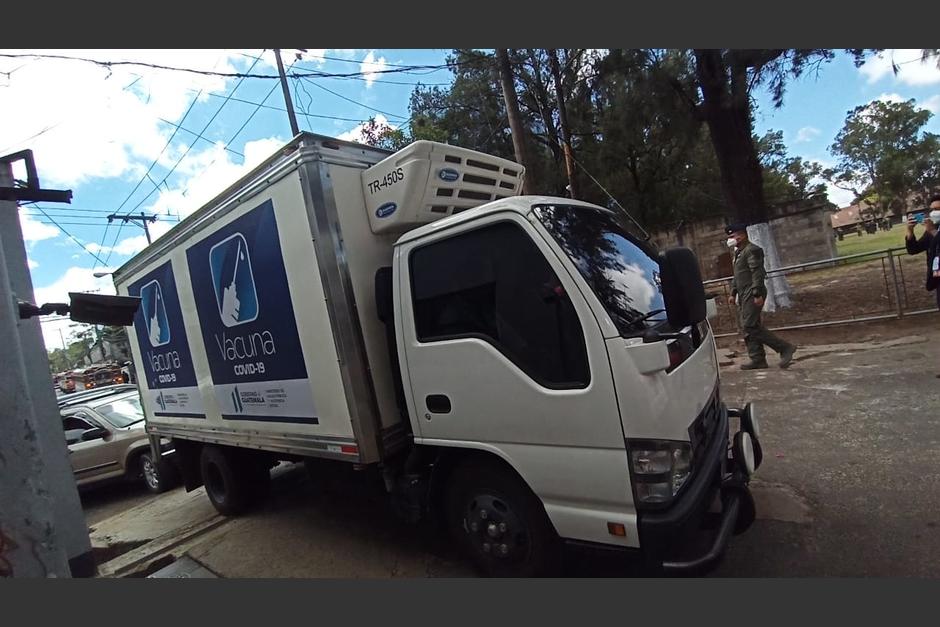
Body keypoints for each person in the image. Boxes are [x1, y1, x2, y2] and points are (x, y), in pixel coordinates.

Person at [726, 223, 797, 370]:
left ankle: (784, 348)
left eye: (734, 236)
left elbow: (757, 273)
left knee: (750, 325)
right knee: (749, 326)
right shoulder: (738, 252)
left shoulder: (752, 250)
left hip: (752, 292)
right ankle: (757, 359)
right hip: (743, 293)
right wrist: (733, 292)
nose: (732, 239)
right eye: (730, 236)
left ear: (743, 235)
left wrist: (757, 293)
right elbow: (737, 275)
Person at [905, 195, 940, 310]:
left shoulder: (932, 229)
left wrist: (933, 231)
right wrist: (910, 231)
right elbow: (913, 249)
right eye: (933, 209)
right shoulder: (933, 227)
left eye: (938, 209)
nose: (934, 212)